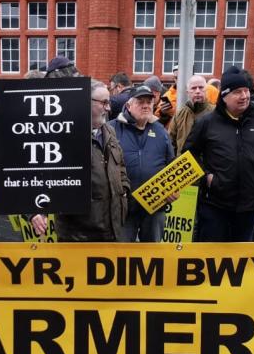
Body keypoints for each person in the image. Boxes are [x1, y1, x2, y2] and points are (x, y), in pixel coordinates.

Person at [183, 66, 254, 242]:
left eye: (246, 91)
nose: (244, 96)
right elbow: (189, 155)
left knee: (241, 260)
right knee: (211, 259)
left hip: (249, 205)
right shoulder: (207, 123)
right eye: (237, 92)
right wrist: (206, 178)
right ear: (224, 96)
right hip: (214, 205)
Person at [31, 80, 130, 241]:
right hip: (78, 234)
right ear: (85, 102)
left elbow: (121, 167)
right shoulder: (63, 135)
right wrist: (36, 210)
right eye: (103, 103)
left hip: (112, 228)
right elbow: (39, 175)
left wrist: (123, 191)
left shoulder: (110, 131)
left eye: (109, 102)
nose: (108, 108)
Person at [111, 85, 174, 242]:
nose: (146, 105)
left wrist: (173, 189)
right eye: (140, 102)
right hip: (123, 207)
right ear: (129, 105)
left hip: (154, 207)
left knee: (152, 257)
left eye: (149, 102)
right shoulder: (111, 129)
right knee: (122, 257)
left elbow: (171, 164)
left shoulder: (160, 131)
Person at [168, 74, 215, 153]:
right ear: (188, 92)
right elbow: (170, 143)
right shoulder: (179, 115)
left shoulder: (216, 113)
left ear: (206, 89)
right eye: (193, 88)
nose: (197, 91)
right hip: (184, 163)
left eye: (201, 87)